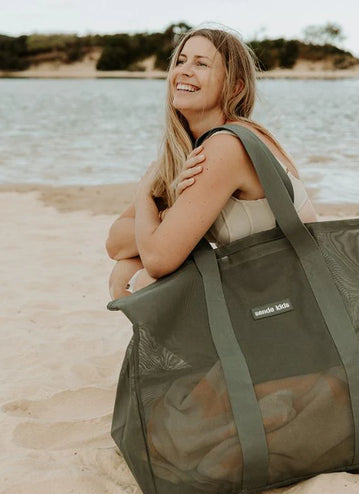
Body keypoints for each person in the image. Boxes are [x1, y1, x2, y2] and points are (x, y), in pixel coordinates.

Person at [105, 26, 318, 299]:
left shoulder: (227, 146)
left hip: (292, 293)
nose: (184, 71)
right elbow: (115, 243)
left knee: (145, 281)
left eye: (201, 64)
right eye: (181, 61)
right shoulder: (195, 150)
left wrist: (145, 192)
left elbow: (158, 260)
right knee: (127, 269)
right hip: (269, 282)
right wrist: (169, 214)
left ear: (236, 87)